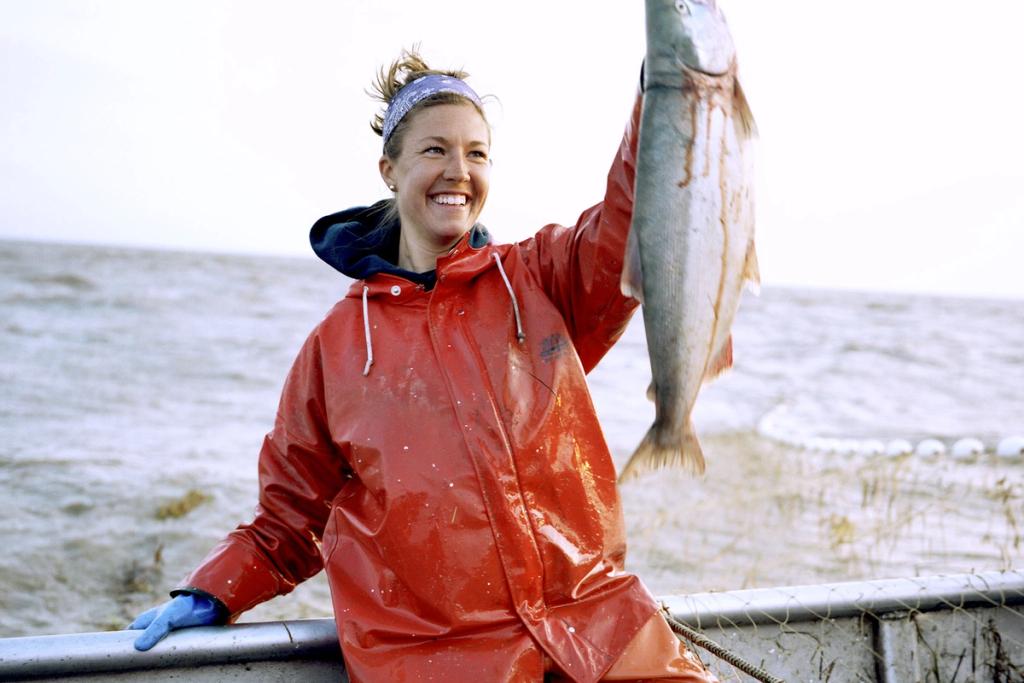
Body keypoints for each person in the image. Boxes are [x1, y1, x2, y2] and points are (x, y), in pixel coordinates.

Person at [128, 48, 717, 683]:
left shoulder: (542, 278)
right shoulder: (336, 346)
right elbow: (290, 519)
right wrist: (213, 590)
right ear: (390, 168)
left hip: (602, 635)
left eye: (477, 153)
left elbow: (638, 218)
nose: (458, 171)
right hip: (439, 663)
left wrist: (664, 95)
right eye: (435, 150)